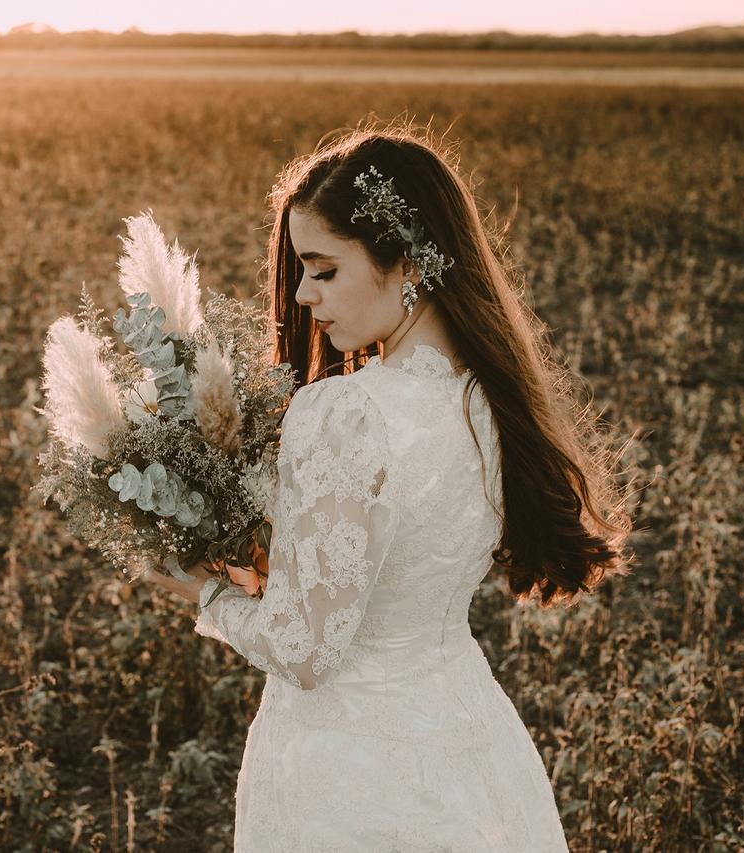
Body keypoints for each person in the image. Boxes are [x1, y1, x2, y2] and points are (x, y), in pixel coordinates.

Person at [142, 121, 636, 852]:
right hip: (470, 750)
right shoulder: (492, 401)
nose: (304, 293)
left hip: (342, 776)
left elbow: (310, 648)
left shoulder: (344, 411)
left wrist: (205, 594)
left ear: (407, 263)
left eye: (324, 268)